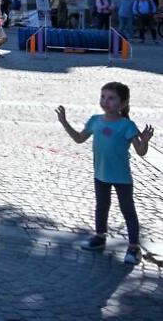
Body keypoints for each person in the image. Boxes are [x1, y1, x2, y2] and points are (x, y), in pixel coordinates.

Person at [56, 82, 154, 265]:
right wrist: (64, 122)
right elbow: (79, 138)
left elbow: (140, 151)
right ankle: (100, 237)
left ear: (123, 103)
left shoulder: (127, 125)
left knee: (128, 211)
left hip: (122, 178)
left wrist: (145, 141)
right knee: (101, 207)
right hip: (101, 175)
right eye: (103, 96)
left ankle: (134, 247)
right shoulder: (95, 120)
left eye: (111, 98)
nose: (105, 101)